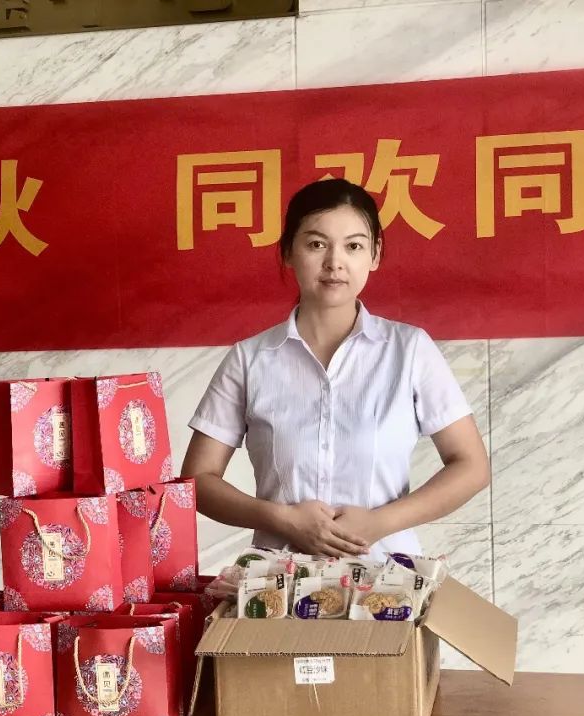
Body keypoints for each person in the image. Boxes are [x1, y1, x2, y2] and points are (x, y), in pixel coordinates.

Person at [181, 178, 490, 563]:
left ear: (375, 255)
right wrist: (281, 519)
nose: (334, 262)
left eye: (353, 246)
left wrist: (379, 522)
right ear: (288, 251)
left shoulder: (409, 350)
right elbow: (198, 480)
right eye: (316, 244)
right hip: (277, 583)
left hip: (386, 580)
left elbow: (471, 466)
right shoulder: (250, 359)